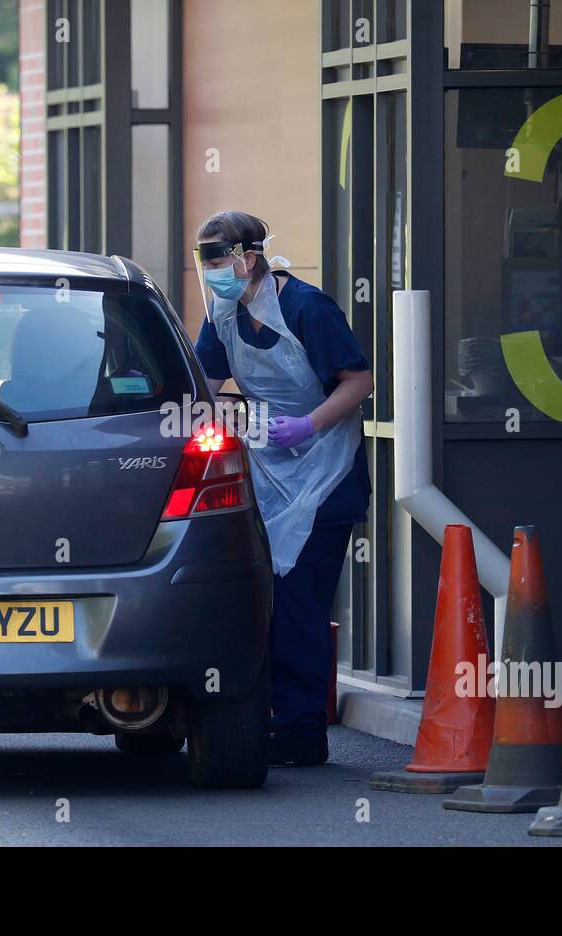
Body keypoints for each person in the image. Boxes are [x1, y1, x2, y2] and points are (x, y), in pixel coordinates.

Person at [193, 210, 373, 767]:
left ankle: (303, 731)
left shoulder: (305, 307)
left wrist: (309, 423)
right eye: (207, 262)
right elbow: (203, 376)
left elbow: (360, 380)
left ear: (250, 257)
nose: (216, 272)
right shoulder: (225, 311)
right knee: (265, 600)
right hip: (268, 470)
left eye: (222, 259)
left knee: (300, 606)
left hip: (325, 470)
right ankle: (274, 719)